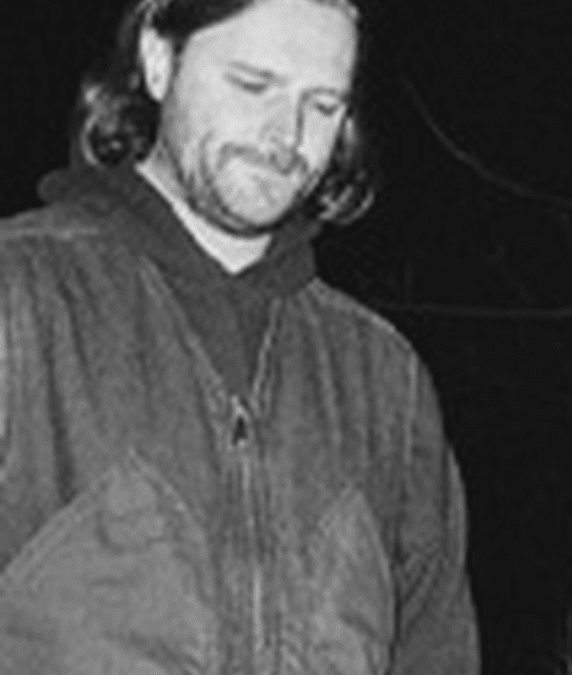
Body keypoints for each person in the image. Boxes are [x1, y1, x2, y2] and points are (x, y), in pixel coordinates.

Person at [0, 0, 478, 672]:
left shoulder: (384, 380)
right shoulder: (21, 300)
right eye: (253, 85)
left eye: (323, 105)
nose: (286, 135)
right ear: (159, 60)